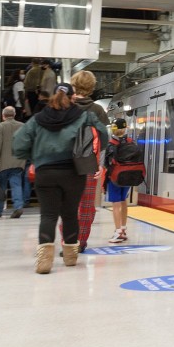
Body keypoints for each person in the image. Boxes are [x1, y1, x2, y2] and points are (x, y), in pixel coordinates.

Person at [13, 83, 105, 274]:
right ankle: (70, 257)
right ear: (73, 98)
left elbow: (18, 145)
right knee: (70, 213)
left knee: (48, 215)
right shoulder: (84, 116)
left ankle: (44, 261)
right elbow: (103, 136)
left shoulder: (37, 119)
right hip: (73, 173)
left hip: (45, 173)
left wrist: (36, 156)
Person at [67, 70, 109, 252]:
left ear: (73, 84)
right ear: (92, 87)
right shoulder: (98, 109)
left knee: (68, 205)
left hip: (66, 164)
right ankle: (81, 241)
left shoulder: (66, 105)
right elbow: (104, 140)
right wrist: (100, 164)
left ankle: (68, 241)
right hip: (89, 163)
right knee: (86, 206)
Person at [0, 106, 27, 219]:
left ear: (3, 115)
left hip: (3, 163)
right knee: (16, 185)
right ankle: (18, 207)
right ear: (14, 115)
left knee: (1, 187)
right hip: (18, 161)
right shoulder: (22, 126)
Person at [103, 118, 133, 244]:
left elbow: (106, 164)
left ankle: (117, 232)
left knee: (115, 204)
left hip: (114, 178)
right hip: (127, 177)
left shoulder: (111, 144)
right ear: (125, 128)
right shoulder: (131, 142)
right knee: (123, 201)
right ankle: (123, 229)